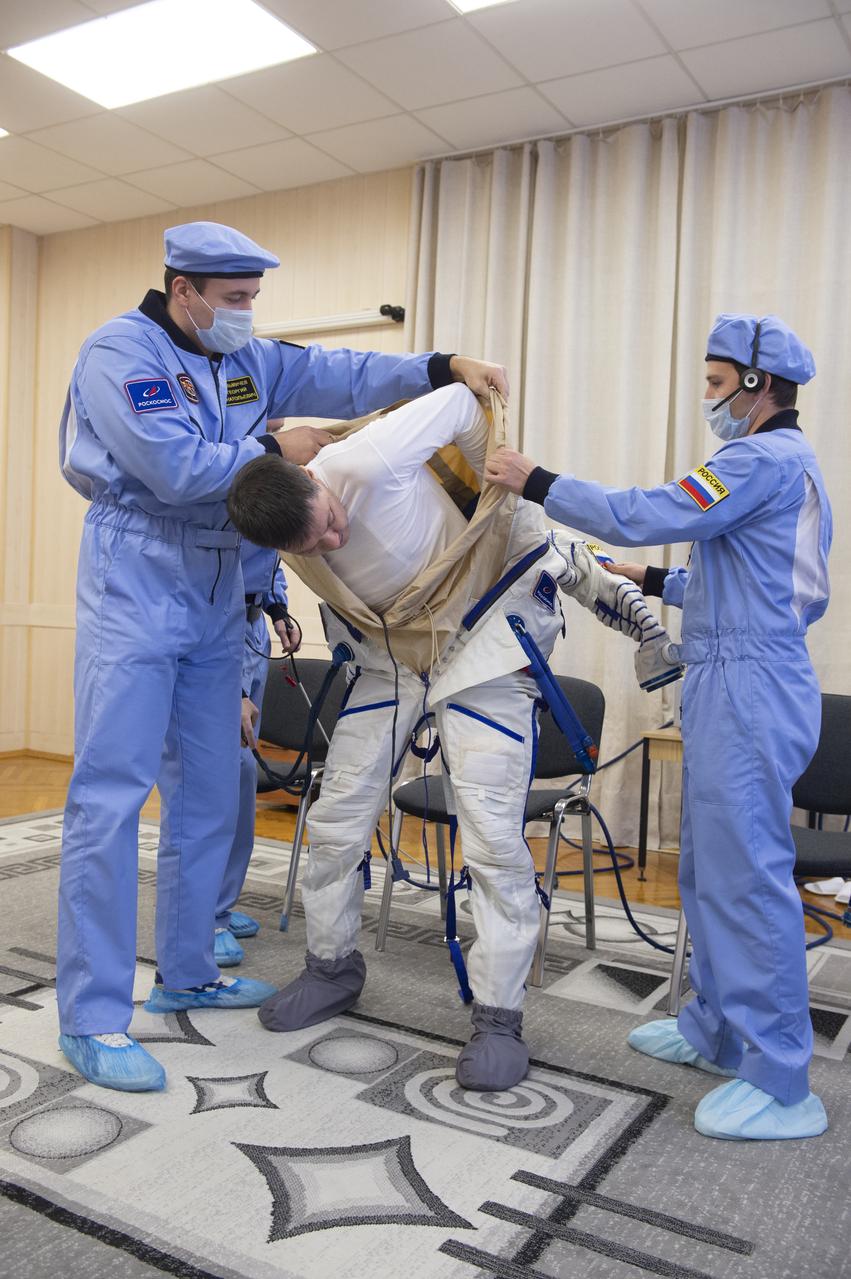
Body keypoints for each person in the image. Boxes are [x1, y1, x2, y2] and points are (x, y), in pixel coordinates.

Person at [57, 218, 509, 1093]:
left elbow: (337, 371)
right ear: (181, 289)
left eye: (253, 299)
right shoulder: (119, 352)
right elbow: (174, 468)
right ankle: (92, 1013)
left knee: (209, 782)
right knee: (109, 796)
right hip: (139, 575)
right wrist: (274, 447)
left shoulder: (246, 358)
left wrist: (440, 366)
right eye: (232, 300)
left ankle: (189, 968)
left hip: (221, 583)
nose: (245, 314)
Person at [226, 383, 681, 1090]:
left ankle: (498, 1016)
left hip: (481, 647)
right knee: (336, 820)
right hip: (389, 657)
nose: (332, 542)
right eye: (312, 545)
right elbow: (253, 598)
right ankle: (331, 965)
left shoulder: (368, 460)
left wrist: (490, 508)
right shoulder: (278, 540)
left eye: (331, 522)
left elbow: (472, 405)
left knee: (493, 835)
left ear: (316, 483)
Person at [484, 314, 832, 1140]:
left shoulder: (756, 457)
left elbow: (648, 509)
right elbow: (745, 578)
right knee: (710, 871)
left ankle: (783, 1077)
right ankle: (716, 1029)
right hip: (732, 670)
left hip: (750, 682)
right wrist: (649, 581)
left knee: (744, 876)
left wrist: (537, 481)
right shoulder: (780, 466)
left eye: (716, 386)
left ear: (758, 386)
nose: (707, 400)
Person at [213, 537, 301, 969]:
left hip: (252, 634)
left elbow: (269, 559)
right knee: (220, 787)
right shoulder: (225, 482)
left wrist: (277, 609)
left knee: (244, 780)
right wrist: (233, 689)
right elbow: (209, 581)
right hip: (220, 632)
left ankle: (221, 907)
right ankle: (204, 920)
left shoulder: (268, 478)